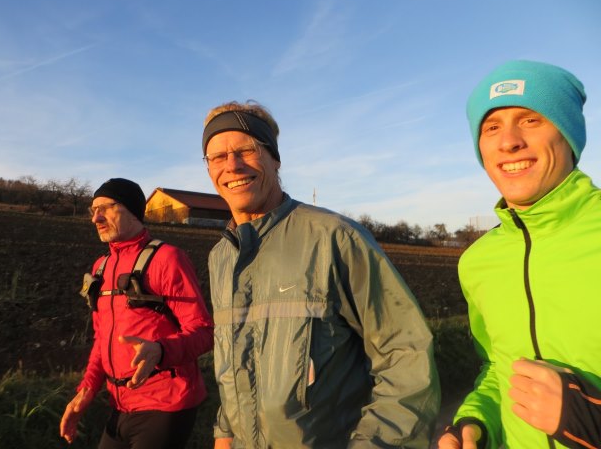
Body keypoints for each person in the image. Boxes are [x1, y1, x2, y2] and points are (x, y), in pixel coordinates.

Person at [201, 101, 440, 448]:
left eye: (246, 150)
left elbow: (405, 355)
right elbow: (233, 358)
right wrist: (224, 432)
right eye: (217, 157)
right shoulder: (221, 257)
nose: (232, 165)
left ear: (274, 158)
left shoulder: (335, 237)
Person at [438, 60, 601, 449]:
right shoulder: (478, 262)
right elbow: (498, 368)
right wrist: (475, 420)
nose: (508, 141)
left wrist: (591, 418)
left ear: (568, 136)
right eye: (492, 127)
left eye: (530, 120)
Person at [60, 178, 214, 449]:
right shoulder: (100, 268)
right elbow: (101, 338)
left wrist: (160, 350)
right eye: (92, 210)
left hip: (166, 403)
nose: (96, 217)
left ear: (132, 210)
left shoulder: (167, 259)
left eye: (106, 207)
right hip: (121, 404)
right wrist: (86, 391)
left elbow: (203, 331)